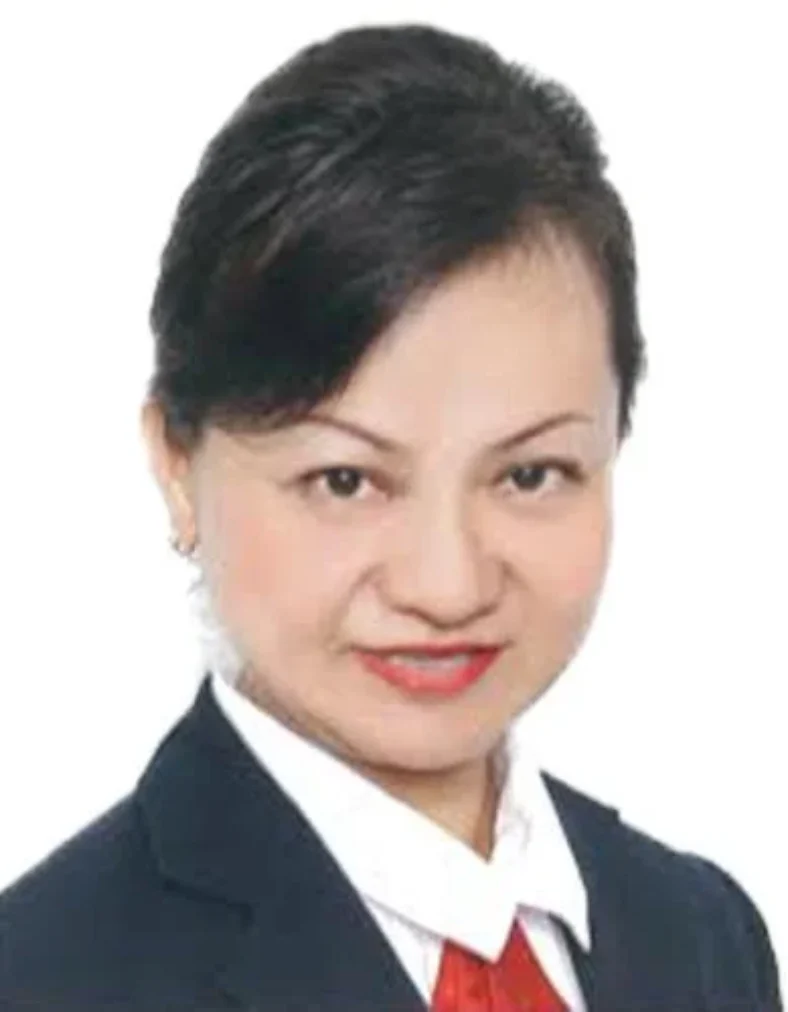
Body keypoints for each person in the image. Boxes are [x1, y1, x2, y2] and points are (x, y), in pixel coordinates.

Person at [0, 22, 781, 1012]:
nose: (446, 587)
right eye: (346, 481)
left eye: (529, 473)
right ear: (177, 464)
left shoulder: (703, 937)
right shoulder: (40, 979)